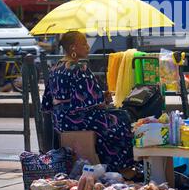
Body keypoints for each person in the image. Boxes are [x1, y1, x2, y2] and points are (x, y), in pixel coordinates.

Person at [41, 31, 135, 174]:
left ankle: (109, 165)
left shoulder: (55, 68)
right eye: (84, 43)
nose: (88, 47)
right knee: (122, 118)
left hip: (60, 121)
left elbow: (47, 102)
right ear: (73, 47)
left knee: (113, 118)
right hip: (78, 120)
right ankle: (121, 167)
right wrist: (104, 98)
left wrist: (99, 97)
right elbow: (93, 102)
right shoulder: (79, 68)